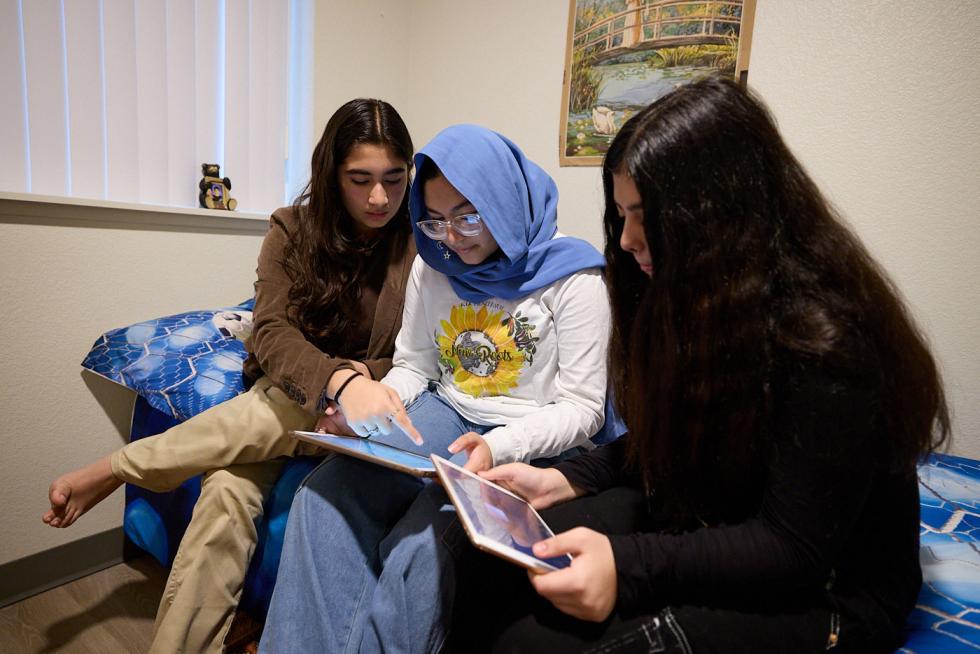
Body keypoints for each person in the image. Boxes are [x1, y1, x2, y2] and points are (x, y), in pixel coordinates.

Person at [447, 76, 950, 654]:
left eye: (647, 218)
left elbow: (792, 546)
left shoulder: (829, 342)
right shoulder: (697, 296)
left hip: (826, 593)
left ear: (719, 215)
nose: (630, 242)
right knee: (494, 563)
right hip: (711, 514)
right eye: (622, 216)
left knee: (529, 644)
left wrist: (628, 564)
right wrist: (566, 477)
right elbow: (673, 441)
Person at [42, 99, 418, 653]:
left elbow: (421, 354)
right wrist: (337, 380)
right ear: (332, 173)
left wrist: (364, 377)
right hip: (292, 398)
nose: (379, 197)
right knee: (224, 495)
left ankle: (117, 469)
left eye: (394, 178)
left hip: (357, 418)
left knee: (261, 436)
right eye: (360, 179)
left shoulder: (421, 247)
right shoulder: (291, 231)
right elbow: (270, 333)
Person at [259, 124, 615, 653]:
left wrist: (498, 446)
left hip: (529, 435)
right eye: (436, 220)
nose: (452, 236)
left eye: (469, 216)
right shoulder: (435, 264)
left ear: (505, 201)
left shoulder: (574, 276)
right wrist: (373, 407)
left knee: (421, 544)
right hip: (447, 412)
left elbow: (583, 409)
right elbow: (415, 367)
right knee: (324, 496)